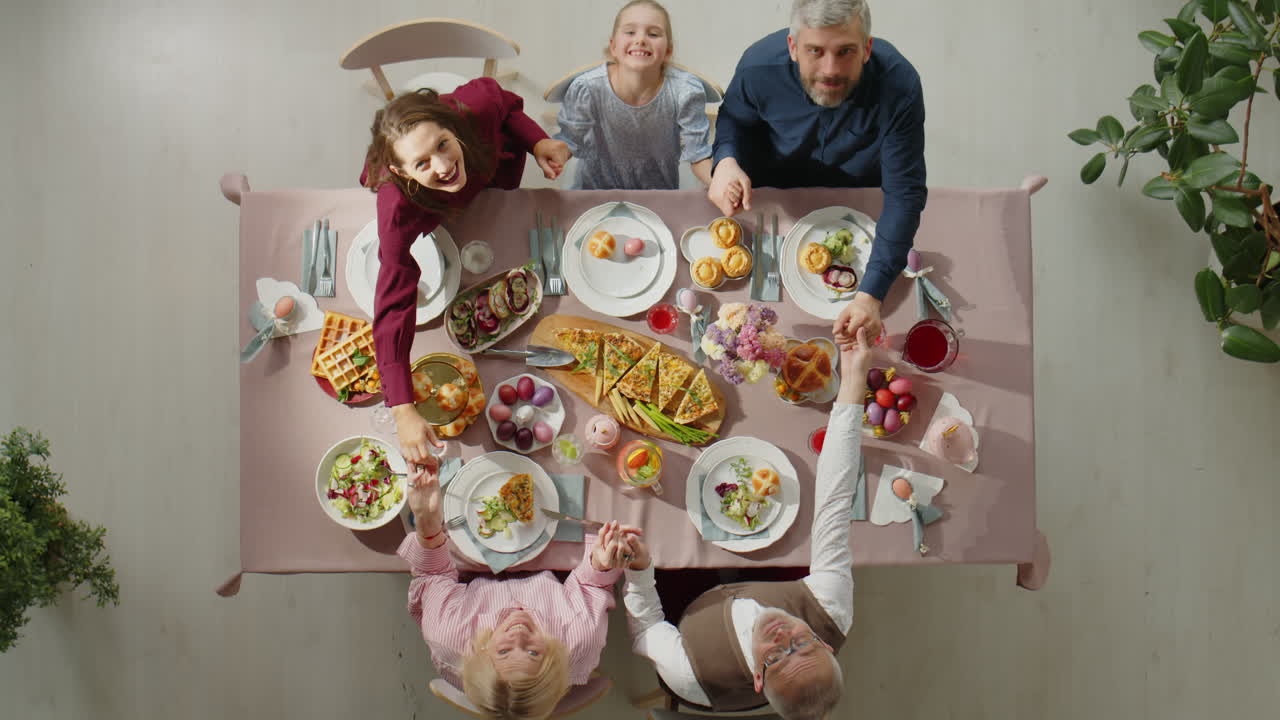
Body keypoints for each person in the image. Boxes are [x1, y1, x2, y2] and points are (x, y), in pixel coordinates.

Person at [620, 327, 872, 719]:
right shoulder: (831, 611)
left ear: (757, 679)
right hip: (770, 583)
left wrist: (638, 573)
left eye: (775, 656)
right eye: (803, 644)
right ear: (825, 644)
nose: (783, 636)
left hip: (698, 614)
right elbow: (836, 499)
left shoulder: (690, 674)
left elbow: (647, 630)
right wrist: (854, 380)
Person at [361, 80, 572, 465]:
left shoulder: (473, 107)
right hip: (430, 206)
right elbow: (393, 303)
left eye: (441, 144)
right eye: (421, 162)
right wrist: (403, 408)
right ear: (399, 170)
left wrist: (538, 143)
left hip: (488, 178)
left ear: (452, 128)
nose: (441, 166)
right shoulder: (396, 206)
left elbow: (508, 107)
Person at [706, 0, 927, 346]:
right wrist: (727, 161)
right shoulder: (757, 67)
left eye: (845, 52)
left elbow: (905, 193)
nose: (830, 69)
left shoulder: (899, 84)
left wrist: (870, 295)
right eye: (815, 51)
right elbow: (734, 119)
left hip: (860, 202)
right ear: (793, 47)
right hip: (772, 199)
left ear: (867, 49)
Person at [399, 457, 646, 720]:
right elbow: (590, 584)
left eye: (503, 651)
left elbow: (433, 573)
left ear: (481, 654)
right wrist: (601, 562)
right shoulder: (580, 639)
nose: (518, 635)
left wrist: (427, 524)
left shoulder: (446, 632)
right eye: (532, 651)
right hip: (551, 576)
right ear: (553, 655)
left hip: (471, 579)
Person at [553, 0, 712, 189]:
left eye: (653, 34)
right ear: (613, 47)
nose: (641, 39)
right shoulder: (587, 88)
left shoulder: (685, 91)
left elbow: (698, 155)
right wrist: (555, 156)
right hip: (593, 197)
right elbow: (569, 141)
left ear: (668, 50)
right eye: (630, 32)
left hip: (658, 199)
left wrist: (719, 183)